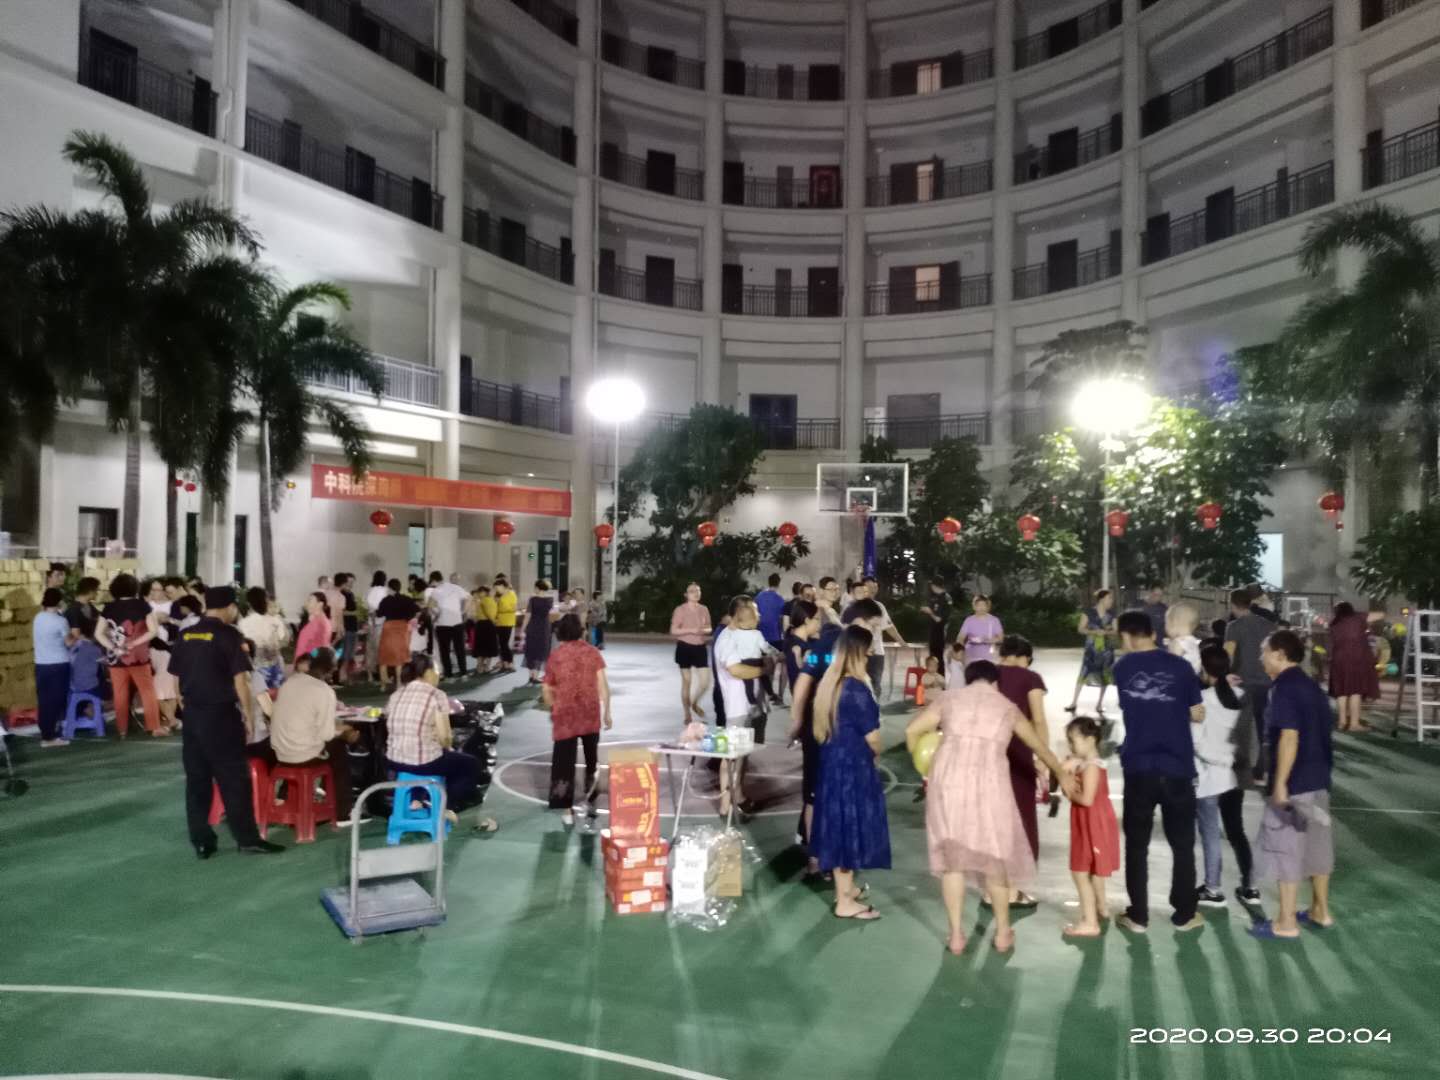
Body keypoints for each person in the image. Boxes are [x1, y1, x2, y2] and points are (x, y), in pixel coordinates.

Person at [905, 660, 1069, 954]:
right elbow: (1039, 747)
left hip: (949, 785)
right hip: (990, 785)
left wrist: (925, 767)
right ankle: (1003, 933)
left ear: (969, 680)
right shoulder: (1006, 707)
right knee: (995, 860)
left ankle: (956, 936)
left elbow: (912, 731)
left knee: (952, 862)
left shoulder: (948, 699)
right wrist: (1061, 774)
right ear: (996, 682)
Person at [168, 586, 285, 858]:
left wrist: (185, 706)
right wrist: (248, 716)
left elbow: (175, 677)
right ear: (230, 607)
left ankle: (202, 841)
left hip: (193, 715)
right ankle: (247, 839)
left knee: (197, 780)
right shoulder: (229, 635)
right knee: (233, 779)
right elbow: (240, 681)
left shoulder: (186, 635)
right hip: (221, 715)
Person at [1111, 610, 1206, 934]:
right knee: (1182, 844)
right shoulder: (1181, 667)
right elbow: (1197, 712)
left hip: (1138, 766)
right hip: (1177, 766)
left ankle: (1138, 915)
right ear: (1153, 633)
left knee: (1137, 845)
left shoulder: (1122, 668)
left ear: (1126, 636)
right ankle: (1184, 913)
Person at [1249, 630, 1336, 939]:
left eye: (1264, 651)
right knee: (1317, 848)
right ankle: (1320, 910)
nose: (1261, 657)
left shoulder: (1283, 688)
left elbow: (1289, 736)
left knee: (1286, 849)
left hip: (1295, 783)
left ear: (1280, 654)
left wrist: (1281, 783)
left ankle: (1286, 922)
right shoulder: (1312, 686)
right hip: (1319, 778)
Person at [810, 626, 891, 920]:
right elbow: (873, 737)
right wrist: (877, 752)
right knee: (848, 829)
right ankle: (844, 902)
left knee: (838, 825)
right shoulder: (856, 689)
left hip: (832, 764)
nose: (869, 658)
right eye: (867, 653)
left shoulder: (830, 684)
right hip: (852, 768)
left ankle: (846, 889)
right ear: (857, 654)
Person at [1195, 645, 1258, 908]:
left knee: (1210, 834)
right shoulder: (1242, 696)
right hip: (1235, 776)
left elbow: (1197, 743)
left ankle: (1213, 888)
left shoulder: (1201, 699)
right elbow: (1249, 739)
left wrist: (1221, 760)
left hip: (1209, 777)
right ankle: (1251, 886)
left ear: (1203, 668)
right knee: (1236, 831)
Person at [267, 646, 356, 823]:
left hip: (280, 753)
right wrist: (344, 732)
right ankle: (342, 812)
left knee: (322, 744)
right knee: (338, 750)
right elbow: (326, 734)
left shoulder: (290, 683)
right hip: (303, 755)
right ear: (332, 668)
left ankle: (296, 796)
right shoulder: (324, 691)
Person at [385, 656, 481, 816]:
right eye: (437, 671)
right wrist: (448, 746)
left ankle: (417, 799)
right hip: (423, 763)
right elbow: (445, 737)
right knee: (470, 764)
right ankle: (446, 805)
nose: (439, 675)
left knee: (434, 755)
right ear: (428, 672)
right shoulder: (436, 695)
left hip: (394, 761)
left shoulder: (396, 694)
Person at [541, 613, 612, 825]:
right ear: (581, 630)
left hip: (565, 715)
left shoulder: (556, 655)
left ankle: (566, 810)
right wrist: (607, 711)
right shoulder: (593, 653)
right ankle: (591, 797)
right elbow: (603, 685)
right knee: (592, 758)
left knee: (563, 762)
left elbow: (546, 689)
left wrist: (552, 706)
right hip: (589, 713)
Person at [995, 634, 1049, 908]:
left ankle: (991, 890)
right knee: (1020, 821)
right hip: (1018, 755)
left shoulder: (986, 675)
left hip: (988, 754)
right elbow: (1038, 720)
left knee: (992, 821)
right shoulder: (1031, 678)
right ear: (1025, 657)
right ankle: (1013, 891)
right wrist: (1043, 758)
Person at [787, 600, 842, 874]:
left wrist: (797, 721)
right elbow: (802, 684)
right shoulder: (833, 652)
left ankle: (813, 856)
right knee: (826, 796)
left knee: (813, 795)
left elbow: (801, 685)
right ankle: (822, 856)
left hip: (814, 728)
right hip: (829, 730)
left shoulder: (817, 652)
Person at [1061, 715, 1120, 937]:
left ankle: (1090, 922)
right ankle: (1101, 908)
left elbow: (1086, 799)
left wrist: (1069, 790)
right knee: (1094, 869)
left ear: (1090, 740)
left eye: (1073, 740)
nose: (1070, 745)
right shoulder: (1087, 763)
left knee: (1080, 872)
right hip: (1091, 821)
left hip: (1092, 822)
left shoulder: (1091, 767)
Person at [713, 596, 773, 812]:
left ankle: (738, 795)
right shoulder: (726, 639)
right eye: (754, 612)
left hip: (753, 705)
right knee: (731, 755)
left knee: (744, 752)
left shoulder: (748, 635)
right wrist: (764, 669)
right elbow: (736, 670)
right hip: (737, 707)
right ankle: (725, 804)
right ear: (739, 614)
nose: (758, 616)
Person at [95, 573, 164, 737]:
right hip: (139, 657)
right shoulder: (142, 605)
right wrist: (134, 643)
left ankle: (122, 730)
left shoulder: (109, 607)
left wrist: (113, 647)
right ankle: (154, 727)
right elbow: (153, 631)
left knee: (120, 694)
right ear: (135, 588)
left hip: (117, 657)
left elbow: (98, 634)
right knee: (147, 691)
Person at [1225, 588, 1275, 781]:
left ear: (1233, 604)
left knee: (1241, 725)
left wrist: (1224, 676)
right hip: (1266, 680)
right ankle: (1262, 769)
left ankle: (1241, 767)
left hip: (1242, 681)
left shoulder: (1233, 627)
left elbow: (1228, 654)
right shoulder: (1268, 625)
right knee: (1264, 726)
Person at [1328, 601, 1378, 733]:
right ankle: (1354, 724)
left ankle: (1342, 721)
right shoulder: (1358, 618)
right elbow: (1380, 615)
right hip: (1356, 659)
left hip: (1338, 660)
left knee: (1341, 691)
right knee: (1355, 690)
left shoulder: (1333, 623)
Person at [669, 582, 713, 724]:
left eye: (698, 591)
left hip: (700, 647)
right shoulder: (680, 610)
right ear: (686, 595)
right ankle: (687, 714)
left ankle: (694, 703)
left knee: (705, 682)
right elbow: (673, 630)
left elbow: (709, 628)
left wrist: (703, 630)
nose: (696, 593)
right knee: (687, 682)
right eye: (692, 591)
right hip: (684, 648)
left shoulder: (704, 609)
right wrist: (691, 630)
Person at [1066, 589, 1116, 715]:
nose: (1111, 601)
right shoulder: (1089, 612)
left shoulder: (1112, 614)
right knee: (1084, 672)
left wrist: (1106, 632)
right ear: (1102, 599)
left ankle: (1099, 704)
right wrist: (1093, 632)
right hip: (1091, 649)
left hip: (1106, 650)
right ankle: (1074, 702)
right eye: (1109, 598)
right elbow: (1080, 629)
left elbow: (1116, 630)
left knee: (1104, 675)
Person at [33, 588, 72, 747]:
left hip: (41, 665)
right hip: (58, 665)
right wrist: (77, 637)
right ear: (59, 602)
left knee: (44, 701)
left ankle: (46, 732)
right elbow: (68, 642)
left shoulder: (38, 617)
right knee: (56, 700)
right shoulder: (60, 621)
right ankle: (49, 737)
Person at [238, 587, 290, 691]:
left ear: (249, 603)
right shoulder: (275, 620)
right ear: (266, 601)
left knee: (260, 697)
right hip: (275, 667)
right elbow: (285, 641)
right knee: (277, 696)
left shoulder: (244, 623)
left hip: (256, 669)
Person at [425, 570, 472, 680]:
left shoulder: (435, 591)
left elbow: (429, 606)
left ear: (434, 580)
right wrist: (463, 612)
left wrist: (436, 616)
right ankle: (464, 673)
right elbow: (469, 598)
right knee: (460, 649)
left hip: (442, 624)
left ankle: (449, 674)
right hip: (457, 622)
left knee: (445, 651)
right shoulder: (455, 587)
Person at [373, 579, 417, 690]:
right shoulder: (406, 599)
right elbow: (415, 610)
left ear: (389, 588)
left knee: (384, 657)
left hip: (388, 628)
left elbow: (379, 614)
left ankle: (383, 685)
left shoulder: (386, 600)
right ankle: (398, 683)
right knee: (399, 657)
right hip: (402, 628)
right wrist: (407, 617)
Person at [756, 573, 787, 704]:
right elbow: (781, 620)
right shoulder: (780, 599)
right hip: (775, 636)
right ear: (778, 583)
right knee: (779, 665)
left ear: (768, 582)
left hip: (762, 637)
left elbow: (756, 616)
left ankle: (763, 697)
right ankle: (778, 696)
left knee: (764, 667)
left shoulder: (759, 597)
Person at [958, 594, 1003, 665]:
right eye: (979, 605)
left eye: (984, 605)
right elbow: (960, 638)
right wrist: (961, 652)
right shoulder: (969, 620)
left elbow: (1001, 638)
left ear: (988, 607)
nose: (981, 608)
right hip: (971, 654)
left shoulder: (994, 620)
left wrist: (989, 640)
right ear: (974, 606)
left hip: (990, 655)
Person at [292, 592, 333, 667]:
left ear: (320, 604)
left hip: (308, 665)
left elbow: (320, 648)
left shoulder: (320, 622)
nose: (306, 604)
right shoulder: (317, 620)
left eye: (310, 601)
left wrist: (305, 662)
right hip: (307, 663)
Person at [365, 571, 389, 682]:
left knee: (370, 649)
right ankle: (382, 675)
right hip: (382, 623)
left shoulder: (369, 591)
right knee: (382, 649)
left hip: (371, 622)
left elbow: (366, 605)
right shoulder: (385, 591)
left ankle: (370, 674)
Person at [920, 578, 952, 663]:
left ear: (935, 585)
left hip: (939, 633)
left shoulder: (945, 598)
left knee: (938, 659)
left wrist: (930, 612)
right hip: (934, 632)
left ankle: (939, 672)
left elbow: (939, 619)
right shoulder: (936, 597)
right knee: (933, 657)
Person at [1165, 602, 1202, 674]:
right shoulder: (1193, 641)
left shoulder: (1179, 643)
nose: (1165, 627)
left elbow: (1170, 666)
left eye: (1166, 623)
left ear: (1175, 623)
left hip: (1180, 678)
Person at [470, 584, 500, 672]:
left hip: (484, 624)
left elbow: (489, 613)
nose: (479, 593)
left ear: (486, 592)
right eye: (479, 592)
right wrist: (494, 621)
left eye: (481, 592)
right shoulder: (489, 600)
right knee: (489, 646)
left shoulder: (484, 600)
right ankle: (486, 666)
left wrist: (493, 620)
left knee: (481, 647)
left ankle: (481, 666)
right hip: (488, 624)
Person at [63, 576, 101, 643]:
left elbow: (100, 618)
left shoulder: (88, 606)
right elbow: (76, 635)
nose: (97, 593)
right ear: (90, 591)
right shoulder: (74, 610)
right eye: (96, 590)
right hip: (85, 647)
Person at [493, 577, 518, 672]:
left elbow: (514, 608)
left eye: (497, 587)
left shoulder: (511, 594)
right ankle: (505, 663)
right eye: (495, 588)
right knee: (501, 644)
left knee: (505, 643)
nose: (497, 589)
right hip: (499, 622)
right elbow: (495, 608)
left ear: (503, 586)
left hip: (508, 622)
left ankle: (510, 662)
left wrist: (502, 608)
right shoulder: (498, 596)